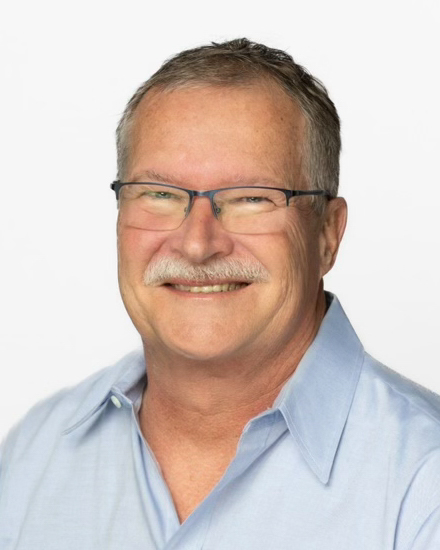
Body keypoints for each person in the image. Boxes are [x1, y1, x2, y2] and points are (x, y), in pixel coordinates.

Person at [1, 38, 440, 550]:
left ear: (327, 234)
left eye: (251, 198)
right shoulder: (33, 455)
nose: (197, 243)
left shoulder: (423, 481)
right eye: (159, 194)